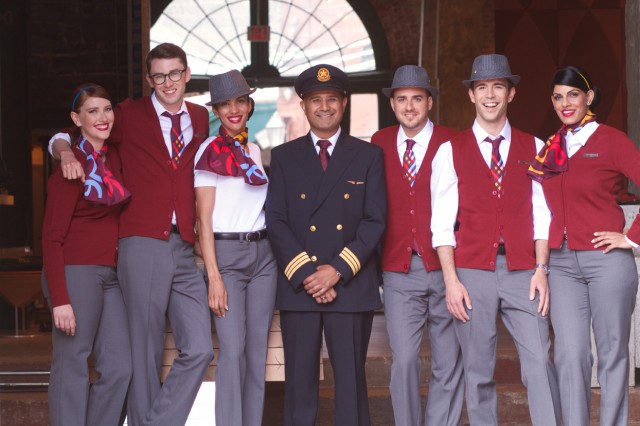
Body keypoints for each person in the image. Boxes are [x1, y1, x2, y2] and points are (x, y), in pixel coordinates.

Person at [48, 43, 214, 426]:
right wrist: (65, 152)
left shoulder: (201, 117)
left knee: (200, 349)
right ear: (149, 79)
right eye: (159, 75)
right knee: (144, 350)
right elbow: (79, 124)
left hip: (183, 246)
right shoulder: (127, 114)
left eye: (175, 73)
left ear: (187, 74)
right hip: (141, 240)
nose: (168, 82)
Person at [430, 54, 561, 425]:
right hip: (471, 273)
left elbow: (542, 214)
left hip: (524, 272)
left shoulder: (536, 146)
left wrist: (542, 269)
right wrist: (451, 282)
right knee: (478, 371)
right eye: (482, 87)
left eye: (498, 87)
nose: (490, 95)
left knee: (538, 363)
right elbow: (441, 224)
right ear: (471, 95)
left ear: (511, 93)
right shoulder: (449, 151)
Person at [265, 64, 387, 426]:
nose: (324, 107)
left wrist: (336, 271)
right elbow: (276, 221)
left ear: (344, 103)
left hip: (349, 284)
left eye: (331, 99)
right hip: (301, 288)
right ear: (303, 105)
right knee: (299, 385)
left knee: (350, 385)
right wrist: (309, 275)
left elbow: (374, 220)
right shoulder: (284, 157)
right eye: (315, 100)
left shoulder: (368, 156)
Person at [528, 65, 640, 425]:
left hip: (607, 261)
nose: (565, 103)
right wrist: (541, 265)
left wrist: (631, 238)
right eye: (558, 97)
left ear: (588, 97)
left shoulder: (612, 140)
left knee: (611, 354)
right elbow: (540, 210)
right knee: (570, 355)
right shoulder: (550, 149)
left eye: (573, 95)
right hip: (561, 265)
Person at [371, 65, 463, 426]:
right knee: (405, 358)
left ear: (429, 102)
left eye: (417, 99)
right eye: (402, 99)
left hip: (446, 270)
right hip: (398, 269)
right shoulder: (377, 143)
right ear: (393, 104)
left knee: (447, 360)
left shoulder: (453, 142)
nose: (409, 106)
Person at [42, 83, 132, 426]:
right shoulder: (71, 165)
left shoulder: (115, 157)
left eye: (107, 109)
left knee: (121, 367)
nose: (102, 117)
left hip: (110, 275)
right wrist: (60, 299)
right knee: (72, 360)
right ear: (76, 119)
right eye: (92, 111)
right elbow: (51, 238)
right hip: (75, 272)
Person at [194, 70, 276, 426]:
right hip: (226, 258)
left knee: (257, 353)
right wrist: (213, 276)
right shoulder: (208, 152)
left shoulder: (254, 150)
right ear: (215, 110)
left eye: (240, 101)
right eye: (225, 103)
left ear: (249, 104)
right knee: (233, 351)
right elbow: (203, 219)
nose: (234, 109)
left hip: (264, 257)